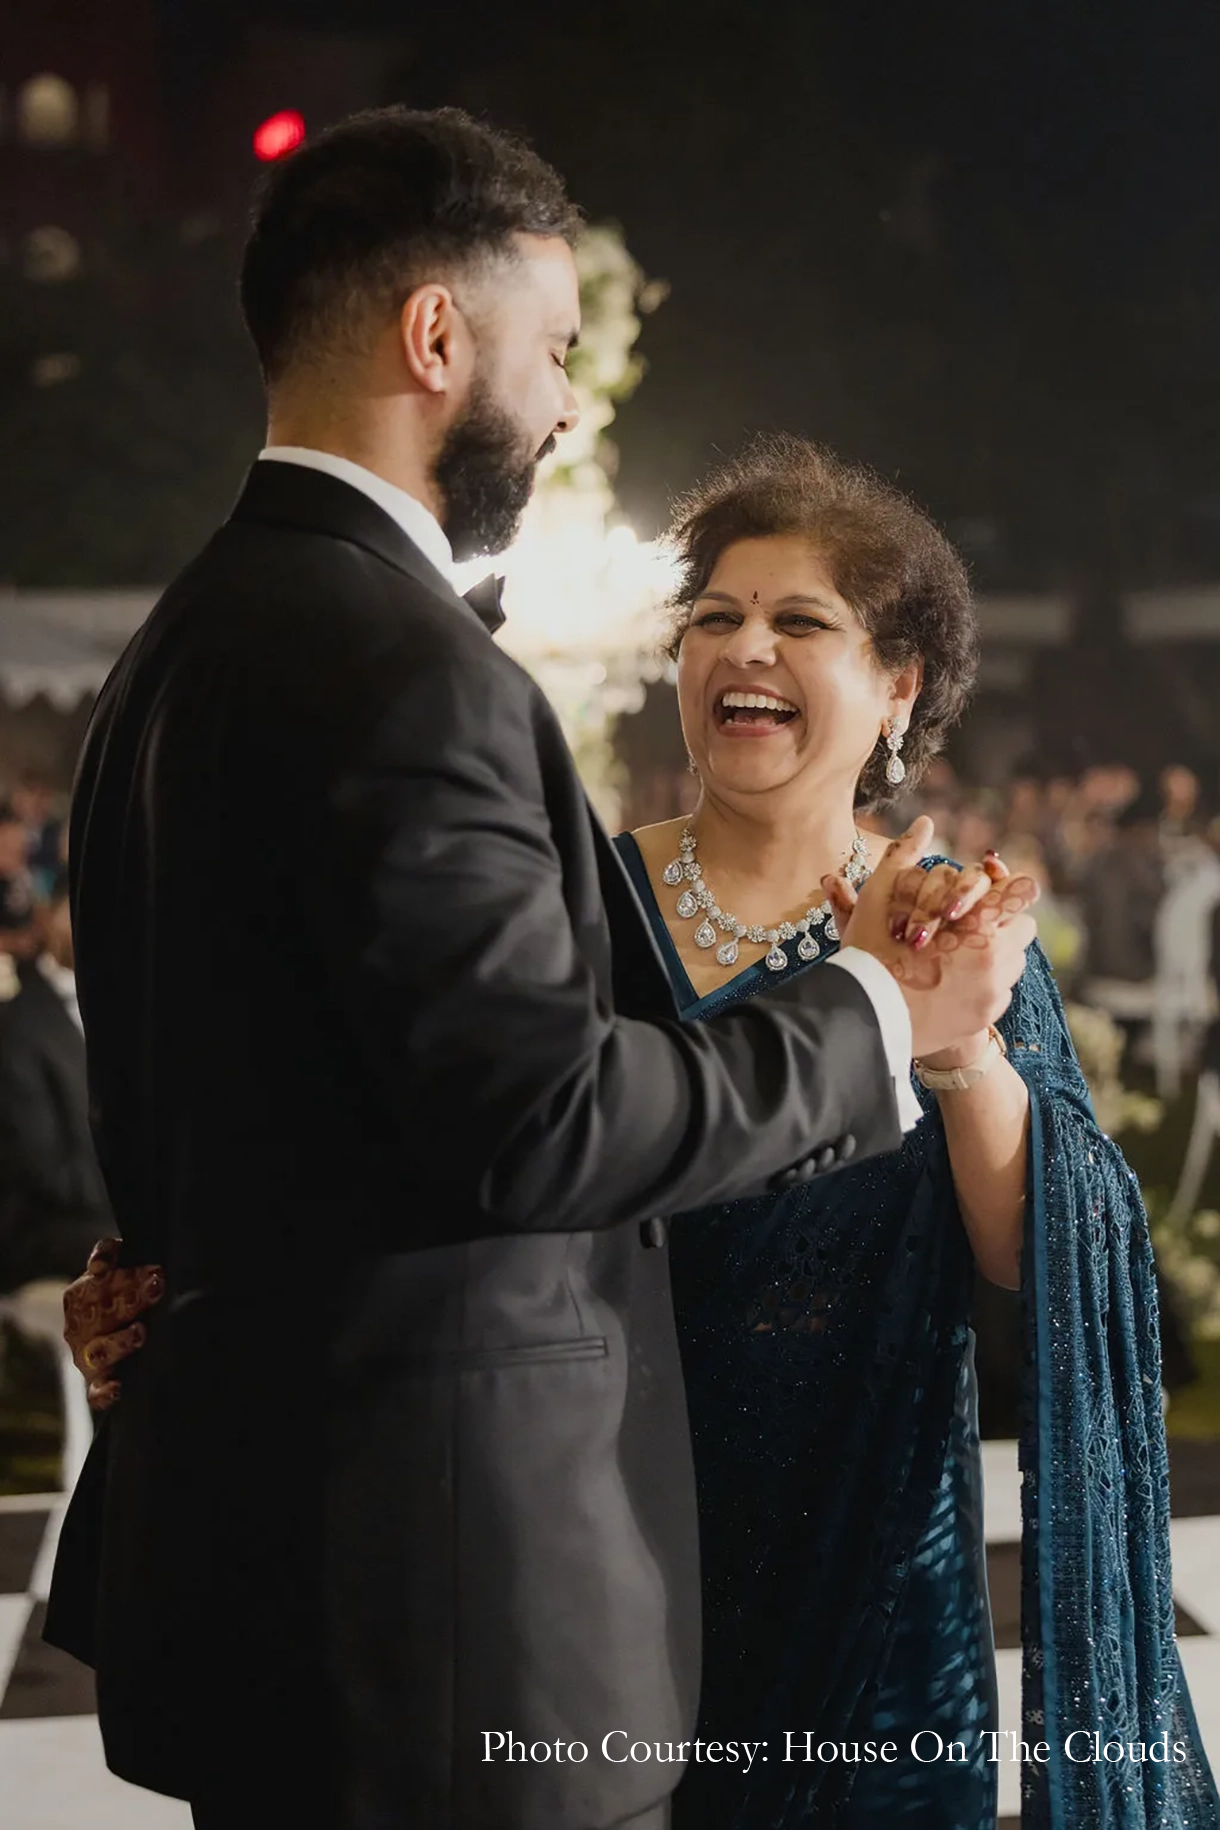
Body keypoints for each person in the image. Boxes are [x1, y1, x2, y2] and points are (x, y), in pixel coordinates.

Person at [43, 109, 1033, 1830]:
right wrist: (878, 1010)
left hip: (283, 1590)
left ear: (896, 690)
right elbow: (539, 1120)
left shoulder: (175, 653)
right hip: (442, 1618)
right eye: (557, 348)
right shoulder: (400, 665)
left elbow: (294, 1094)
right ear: (440, 339)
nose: (570, 401)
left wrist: (177, 1285)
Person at [612, 438, 1216, 1827]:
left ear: (898, 688)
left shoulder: (962, 925)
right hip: (621, 1538)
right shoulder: (585, 903)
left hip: (886, 1562)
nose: (741, 644)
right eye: (713, 616)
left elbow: (1041, 1245)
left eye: (797, 620)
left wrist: (951, 1039)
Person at [0, 884, 111, 1295]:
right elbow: (44, 1166)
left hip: (102, 1201)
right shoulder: (20, 1025)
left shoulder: (120, 1005)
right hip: (45, 1223)